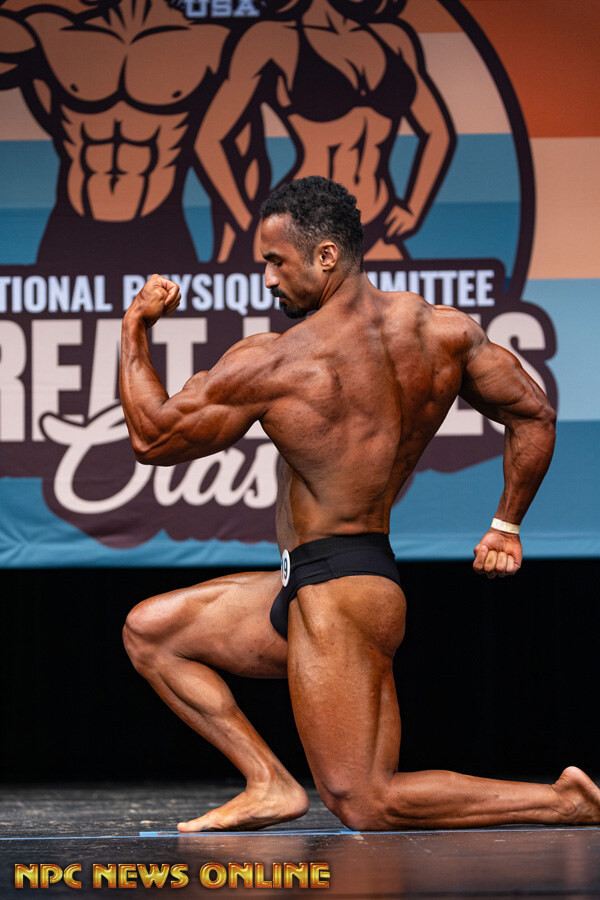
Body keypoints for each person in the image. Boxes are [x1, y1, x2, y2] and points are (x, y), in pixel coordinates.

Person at [120, 176, 600, 832]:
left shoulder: (278, 361)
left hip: (341, 594)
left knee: (364, 801)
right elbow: (534, 413)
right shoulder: (442, 332)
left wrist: (135, 328)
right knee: (152, 633)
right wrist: (505, 524)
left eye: (275, 261)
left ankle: (565, 802)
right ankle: (268, 782)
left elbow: (152, 438)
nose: (266, 278)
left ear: (325, 256)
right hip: (317, 580)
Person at [195, 0, 454, 263]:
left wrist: (414, 207)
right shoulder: (276, 38)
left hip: (378, 219)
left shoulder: (392, 38)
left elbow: (437, 132)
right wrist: (247, 219)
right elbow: (209, 139)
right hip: (303, 230)